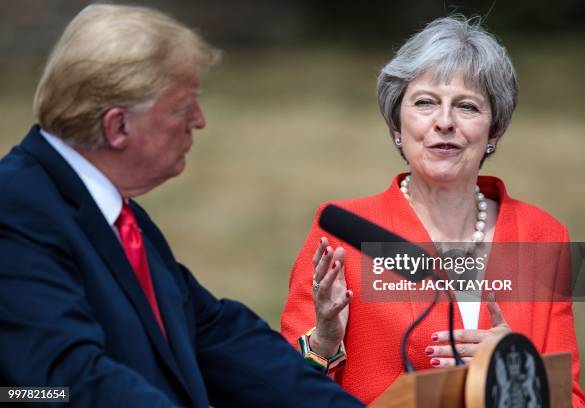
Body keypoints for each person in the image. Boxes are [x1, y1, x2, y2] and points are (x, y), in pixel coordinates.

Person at [0, 4, 365, 408]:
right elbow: (58, 385)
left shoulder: (113, 213)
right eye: (181, 107)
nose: (200, 120)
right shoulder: (14, 210)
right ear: (118, 126)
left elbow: (217, 336)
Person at [281, 15, 585, 406]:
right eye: (425, 102)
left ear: (494, 130)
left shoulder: (543, 234)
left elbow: (573, 398)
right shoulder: (345, 232)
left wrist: (515, 371)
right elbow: (281, 390)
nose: (444, 122)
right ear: (397, 122)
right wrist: (324, 341)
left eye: (467, 107)